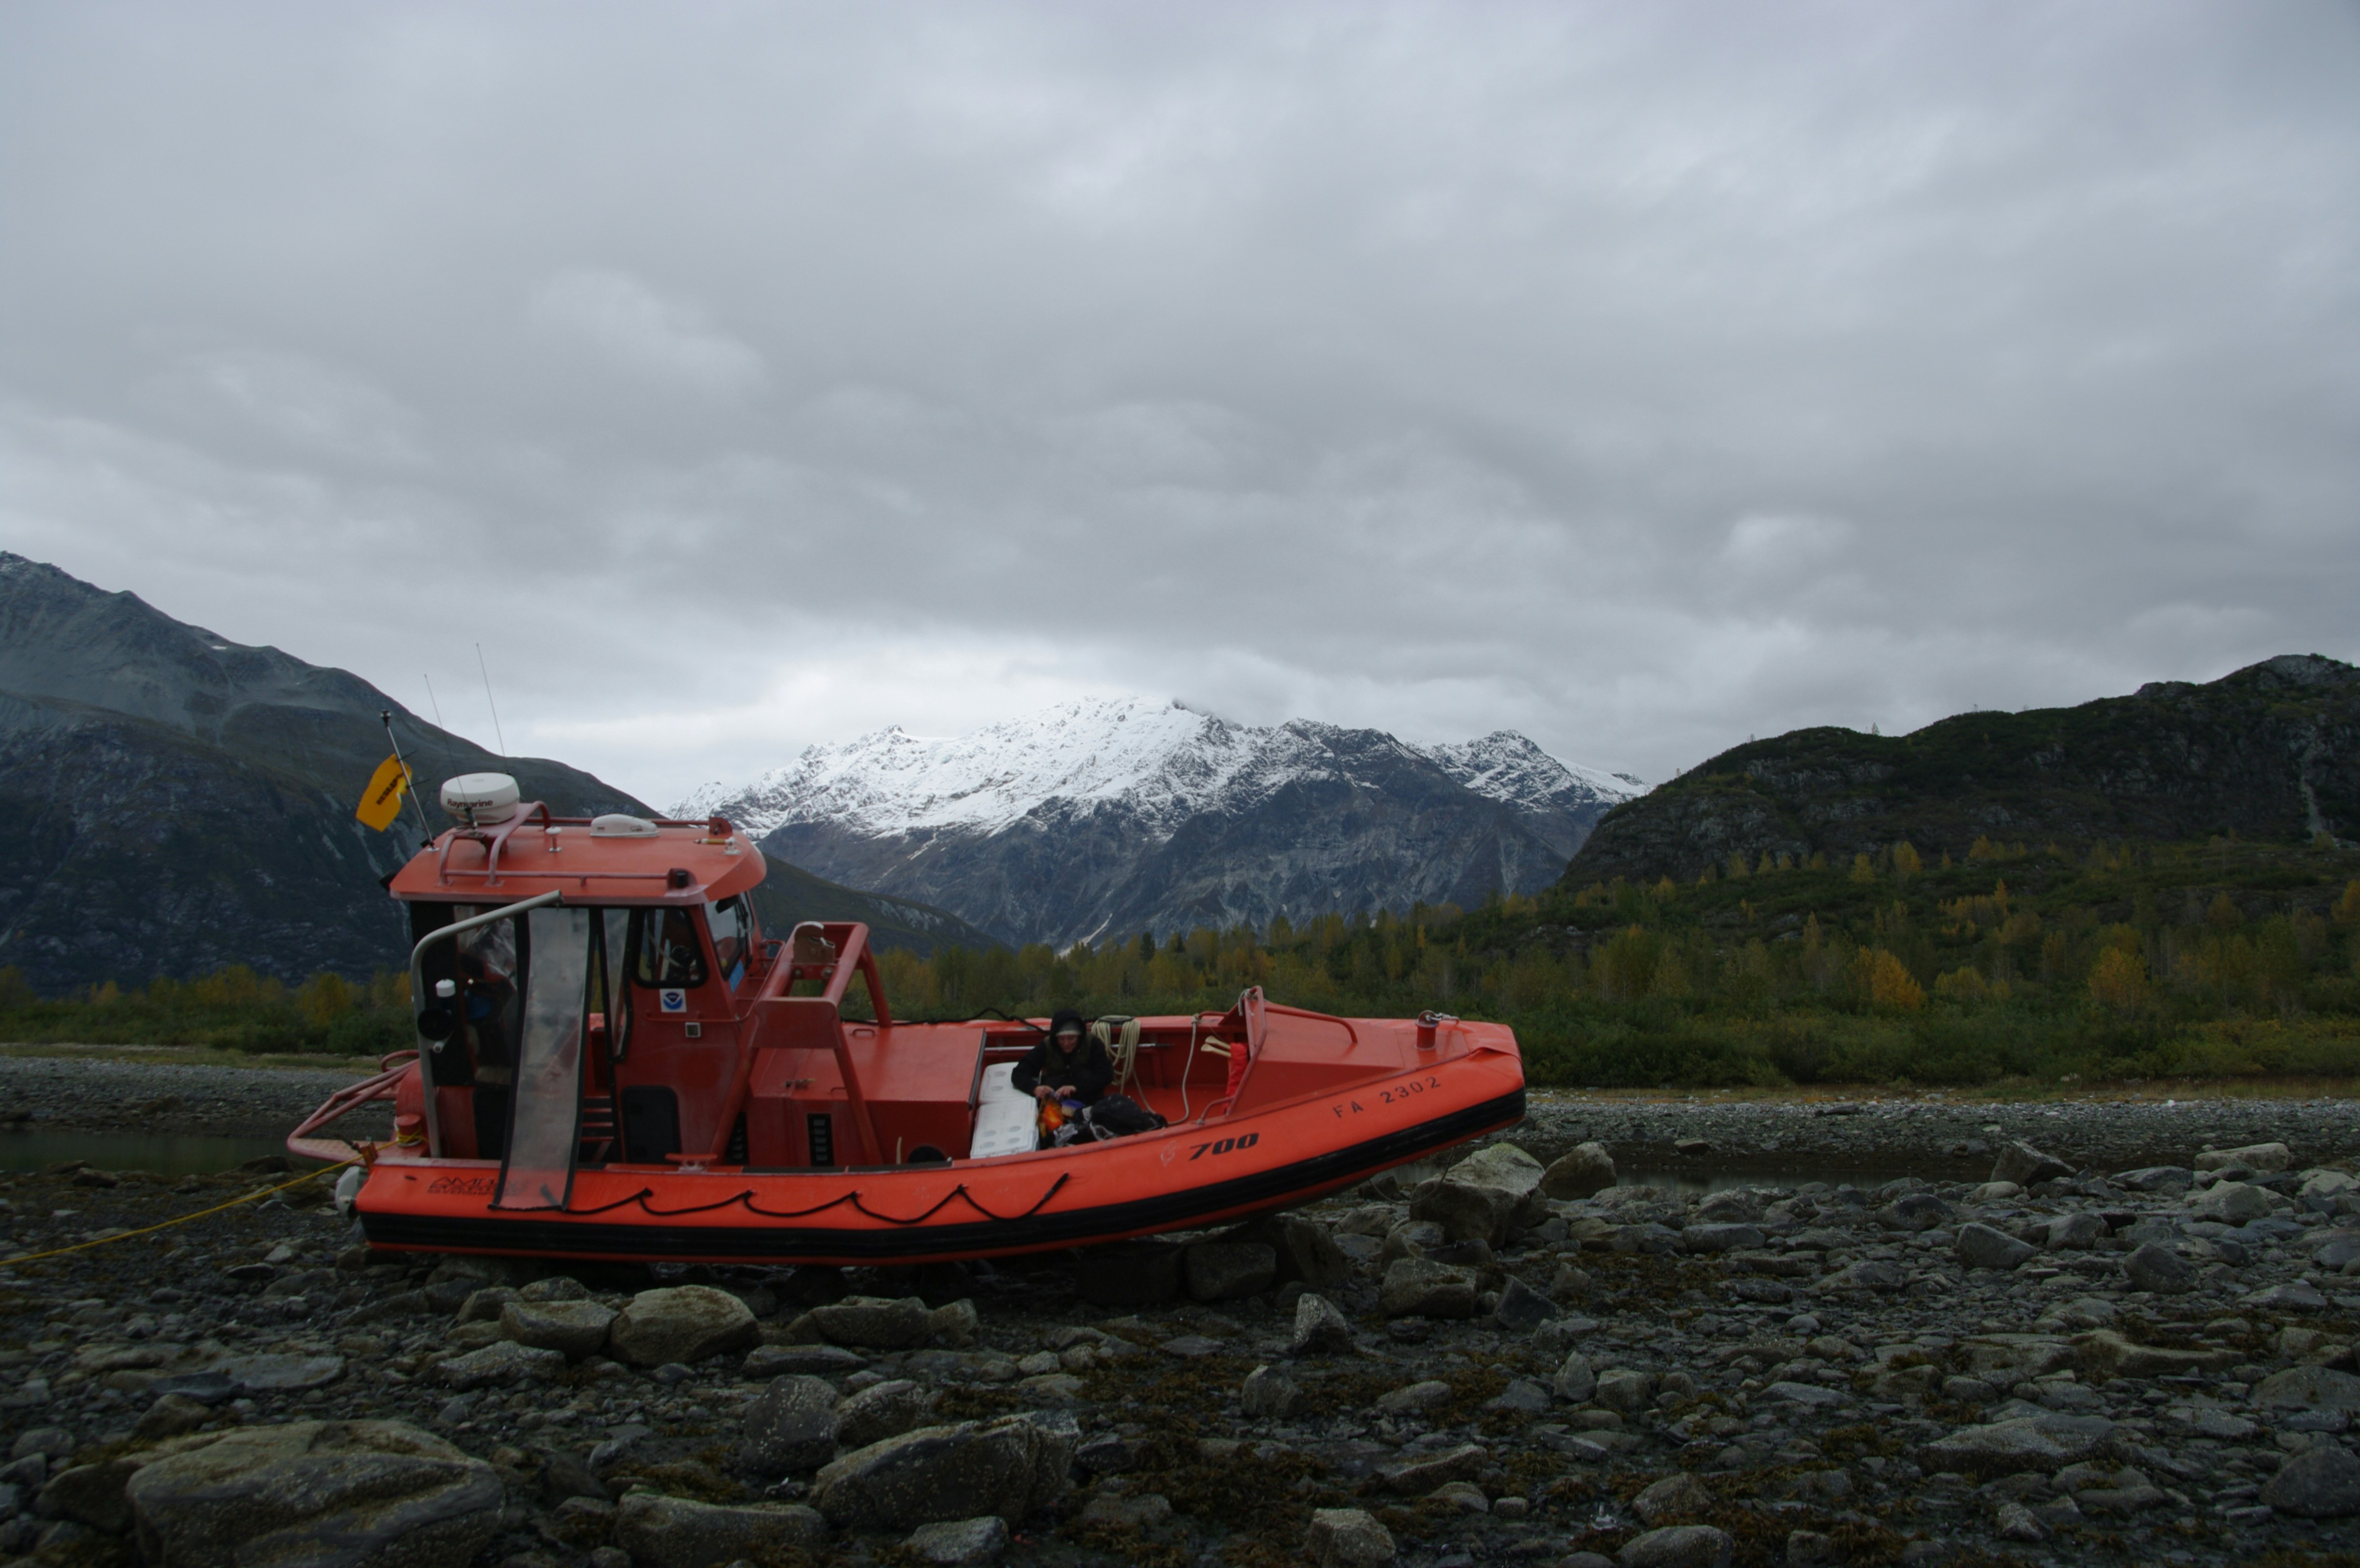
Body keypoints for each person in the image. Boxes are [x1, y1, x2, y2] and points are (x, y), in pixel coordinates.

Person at [1011, 1008, 1112, 1109]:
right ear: (1055, 1038)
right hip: (1055, 1101)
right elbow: (1019, 1073)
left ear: (1079, 1036)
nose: (1066, 1043)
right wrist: (1035, 1088)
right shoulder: (1047, 1046)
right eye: (1061, 1039)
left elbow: (1105, 1074)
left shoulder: (1093, 1044)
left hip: (1087, 1096)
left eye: (1071, 1038)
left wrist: (1076, 1088)